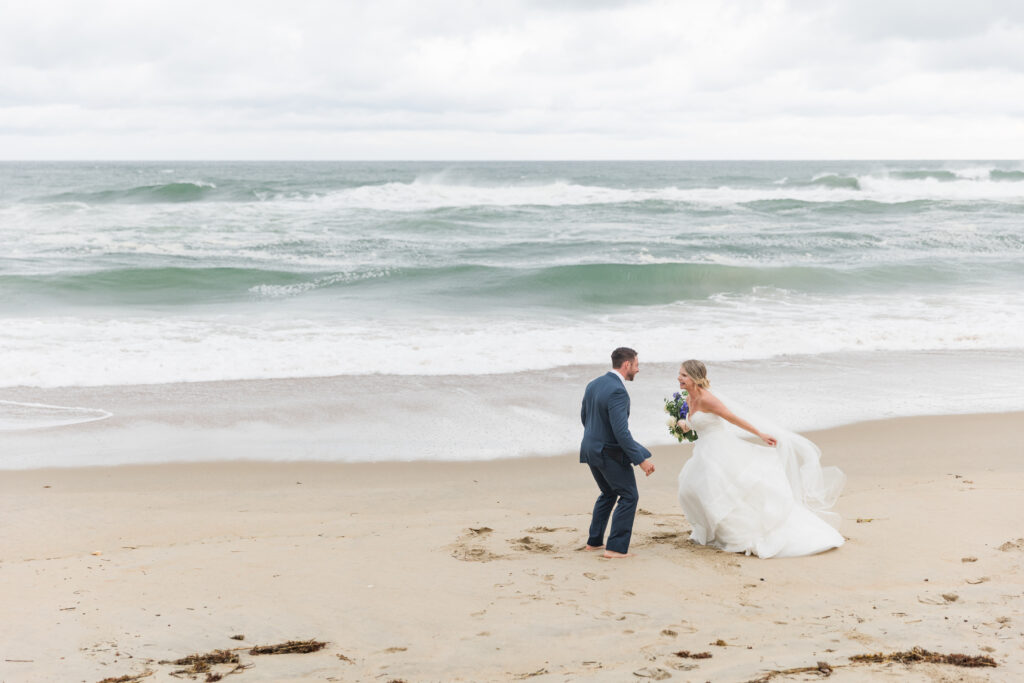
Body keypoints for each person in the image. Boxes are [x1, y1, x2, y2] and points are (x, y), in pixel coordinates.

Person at [675, 359, 845, 558]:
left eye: (684, 375)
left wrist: (761, 434)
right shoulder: (688, 398)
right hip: (703, 450)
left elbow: (733, 418)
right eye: (679, 374)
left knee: (722, 490)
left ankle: (736, 534)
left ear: (695, 378)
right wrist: (682, 424)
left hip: (720, 450)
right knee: (690, 489)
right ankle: (715, 531)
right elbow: (695, 423)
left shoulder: (707, 399)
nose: (679, 378)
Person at [579, 347, 654, 559]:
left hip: (590, 448)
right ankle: (615, 549)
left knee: (609, 493)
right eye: (637, 365)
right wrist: (641, 461)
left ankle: (594, 542)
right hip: (607, 452)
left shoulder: (593, 384)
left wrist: (597, 438)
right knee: (629, 495)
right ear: (627, 365)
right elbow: (621, 432)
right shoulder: (618, 391)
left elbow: (585, 418)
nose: (638, 370)